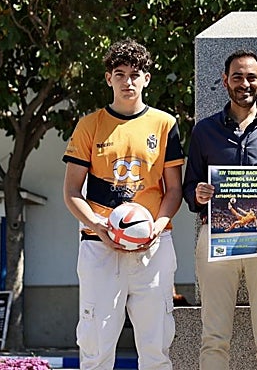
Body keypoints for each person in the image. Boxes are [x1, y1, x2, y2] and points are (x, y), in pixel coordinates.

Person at [62, 39, 185, 370]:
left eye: (135, 74)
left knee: (156, 347)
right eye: (120, 74)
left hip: (153, 247)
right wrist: (99, 227)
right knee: (96, 348)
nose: (127, 82)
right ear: (108, 78)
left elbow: (174, 189)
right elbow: (72, 191)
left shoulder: (165, 124)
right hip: (100, 246)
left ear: (147, 78)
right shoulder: (89, 125)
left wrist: (157, 227)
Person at [183, 49, 257, 370]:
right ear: (225, 81)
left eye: (251, 77)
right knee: (214, 336)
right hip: (216, 240)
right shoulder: (204, 131)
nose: (244, 83)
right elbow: (188, 186)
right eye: (237, 77)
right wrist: (199, 193)